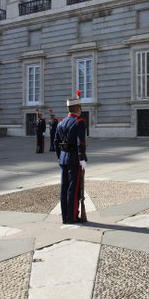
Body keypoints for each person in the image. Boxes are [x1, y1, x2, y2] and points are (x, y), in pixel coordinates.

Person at [54, 92, 87, 224]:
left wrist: (59, 157)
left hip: (63, 158)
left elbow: (55, 142)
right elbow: (81, 142)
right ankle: (72, 217)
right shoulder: (79, 122)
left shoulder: (61, 123)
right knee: (73, 188)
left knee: (64, 187)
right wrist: (82, 158)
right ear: (78, 109)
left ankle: (65, 216)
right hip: (74, 159)